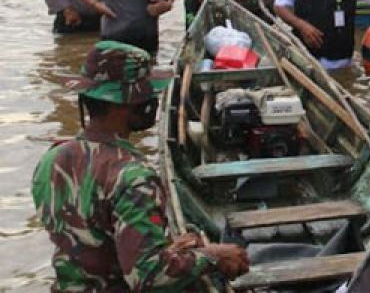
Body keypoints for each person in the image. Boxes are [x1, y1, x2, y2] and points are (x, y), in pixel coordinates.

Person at [31, 41, 249, 289]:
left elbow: (93, 243)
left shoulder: (51, 159)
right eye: (148, 94)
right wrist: (213, 255)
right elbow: (149, 278)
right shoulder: (134, 177)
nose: (153, 102)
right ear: (124, 104)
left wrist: (169, 250)